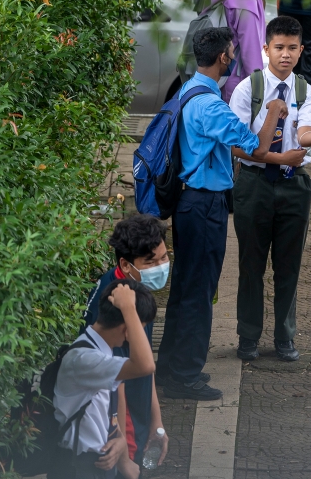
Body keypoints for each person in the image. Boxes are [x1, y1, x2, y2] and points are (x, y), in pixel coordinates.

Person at [156, 27, 283, 400]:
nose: (235, 56)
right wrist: (274, 111)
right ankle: (186, 374)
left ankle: (169, 367)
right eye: (232, 51)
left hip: (187, 202)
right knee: (199, 291)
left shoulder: (188, 91)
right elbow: (256, 147)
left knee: (184, 287)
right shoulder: (210, 105)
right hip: (205, 205)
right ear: (224, 57)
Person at [228, 16, 311, 362]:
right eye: (279, 47)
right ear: (266, 49)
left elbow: (305, 132)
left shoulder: (305, 90)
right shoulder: (249, 88)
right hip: (254, 184)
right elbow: (236, 145)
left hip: (294, 187)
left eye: (293, 48)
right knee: (251, 264)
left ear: (302, 50)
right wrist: (277, 156)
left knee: (288, 266)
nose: (286, 55)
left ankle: (284, 337)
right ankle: (248, 336)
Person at [84, 215, 171, 470]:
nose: (161, 266)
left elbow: (146, 360)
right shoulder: (116, 304)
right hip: (122, 422)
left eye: (164, 257)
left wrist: (157, 423)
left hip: (137, 412)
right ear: (126, 263)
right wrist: (124, 459)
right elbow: (114, 382)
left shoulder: (135, 290)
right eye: (151, 261)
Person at [51, 281, 157, 479]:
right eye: (139, 329)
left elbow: (110, 401)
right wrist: (129, 309)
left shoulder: (99, 349)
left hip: (98, 461)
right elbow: (146, 366)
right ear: (127, 327)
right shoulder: (84, 359)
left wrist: (121, 441)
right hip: (79, 467)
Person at [203, 0, 273, 100]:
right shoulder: (245, 5)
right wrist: (260, 91)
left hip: (219, 77)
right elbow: (251, 55)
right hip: (237, 83)